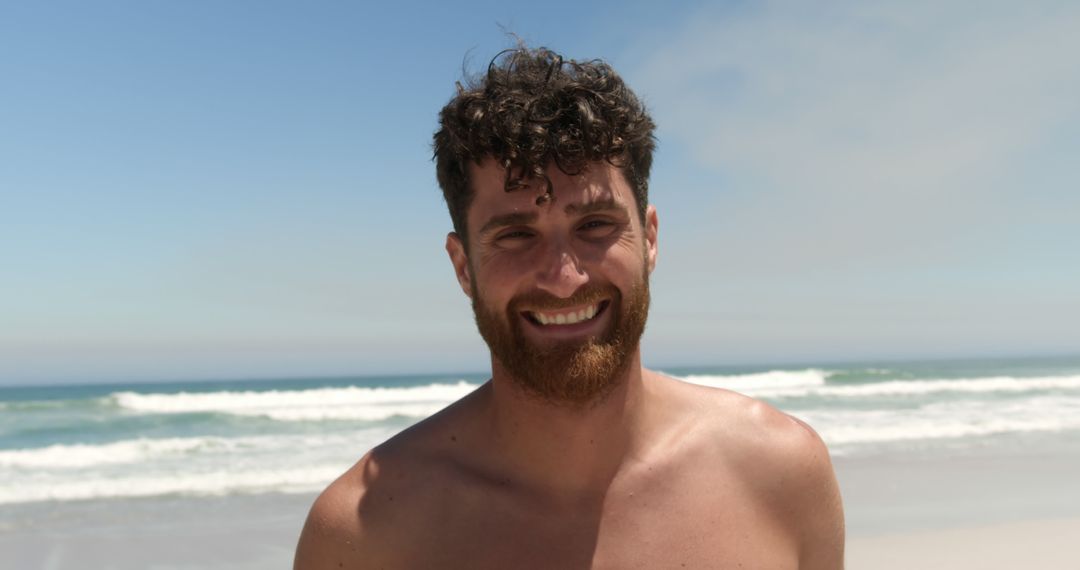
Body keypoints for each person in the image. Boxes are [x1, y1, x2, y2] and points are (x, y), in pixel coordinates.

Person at [294, 46, 844, 569]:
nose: (564, 278)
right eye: (515, 235)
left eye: (596, 226)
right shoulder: (363, 534)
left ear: (649, 238)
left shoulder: (781, 472)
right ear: (463, 265)